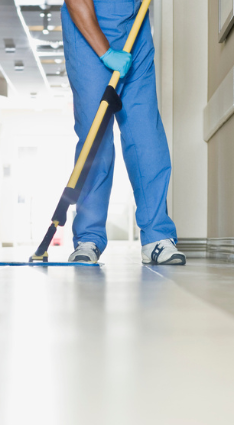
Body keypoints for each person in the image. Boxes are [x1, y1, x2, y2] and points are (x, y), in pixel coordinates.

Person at [61, 0, 186, 265]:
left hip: (135, 22)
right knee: (96, 139)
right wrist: (106, 53)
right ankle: (89, 237)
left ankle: (157, 236)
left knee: (146, 135)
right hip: (88, 27)